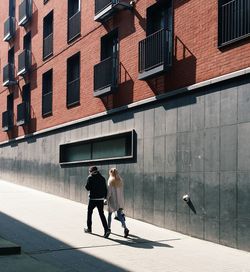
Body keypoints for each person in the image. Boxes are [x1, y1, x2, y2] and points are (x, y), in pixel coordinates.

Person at [84, 166, 111, 238]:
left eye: (89, 171)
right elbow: (105, 189)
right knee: (101, 214)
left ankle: (89, 228)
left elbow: (87, 188)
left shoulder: (90, 177)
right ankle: (106, 229)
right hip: (100, 199)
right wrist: (105, 198)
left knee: (89, 213)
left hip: (92, 199)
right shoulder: (102, 178)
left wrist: (89, 179)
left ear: (92, 171)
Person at [106, 168, 129, 238]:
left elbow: (109, 192)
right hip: (120, 200)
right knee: (119, 215)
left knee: (109, 214)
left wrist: (106, 199)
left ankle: (108, 228)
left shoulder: (110, 181)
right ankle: (125, 228)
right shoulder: (120, 180)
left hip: (112, 200)